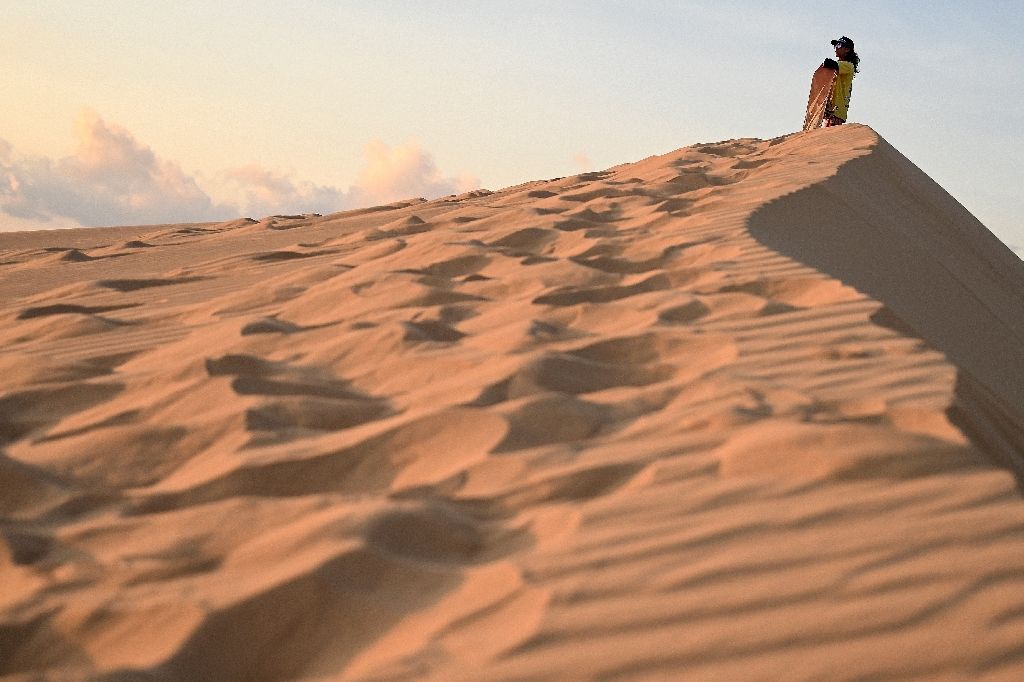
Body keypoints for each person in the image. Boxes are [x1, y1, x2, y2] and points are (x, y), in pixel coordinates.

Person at [821, 36, 860, 126]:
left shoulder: (849, 66)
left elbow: (830, 63)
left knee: (829, 138)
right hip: (830, 110)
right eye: (835, 46)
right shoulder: (838, 66)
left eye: (839, 45)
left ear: (847, 49)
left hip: (837, 112)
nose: (836, 48)